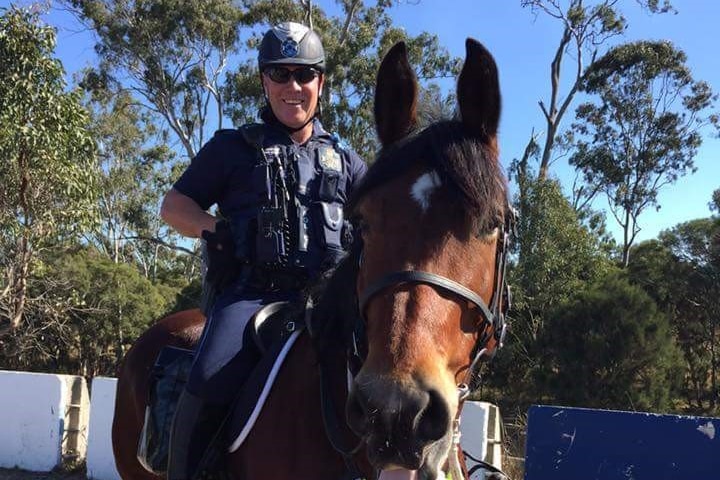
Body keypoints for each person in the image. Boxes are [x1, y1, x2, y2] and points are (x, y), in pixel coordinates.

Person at [160, 21, 367, 480]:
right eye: (280, 73)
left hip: (331, 303)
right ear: (263, 80)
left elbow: (381, 223)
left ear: (321, 82)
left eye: (305, 74)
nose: (293, 86)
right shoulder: (232, 148)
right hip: (253, 296)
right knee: (210, 374)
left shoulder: (348, 162)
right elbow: (173, 207)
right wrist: (217, 228)